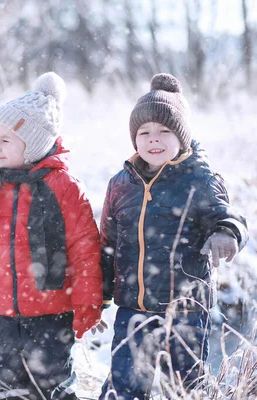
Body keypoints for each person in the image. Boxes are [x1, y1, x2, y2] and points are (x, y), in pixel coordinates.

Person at [0, 72, 104, 400]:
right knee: (8, 385)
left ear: (32, 145)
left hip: (51, 311)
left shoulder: (64, 187)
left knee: (53, 386)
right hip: (2, 310)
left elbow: (84, 248)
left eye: (6, 140)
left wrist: (87, 301)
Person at [98, 73, 248, 400]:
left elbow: (229, 216)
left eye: (165, 131)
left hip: (186, 309)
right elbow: (107, 244)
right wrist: (100, 295)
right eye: (145, 132)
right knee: (124, 384)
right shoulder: (121, 184)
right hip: (133, 307)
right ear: (134, 139)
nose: (154, 138)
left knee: (184, 385)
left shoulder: (198, 179)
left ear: (182, 138)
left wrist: (226, 233)